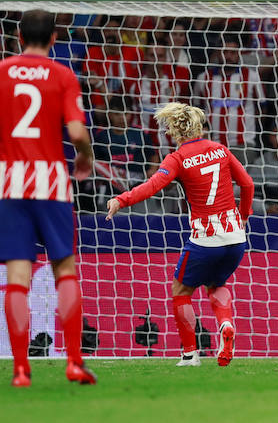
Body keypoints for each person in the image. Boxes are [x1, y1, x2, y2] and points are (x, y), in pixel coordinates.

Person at [0, 9, 96, 387]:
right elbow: (75, 130)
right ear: (54, 38)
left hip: (8, 184)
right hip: (52, 183)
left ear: (18, 37)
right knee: (64, 271)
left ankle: (21, 369)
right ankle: (73, 363)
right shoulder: (63, 75)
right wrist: (85, 156)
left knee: (17, 278)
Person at [106, 102, 255, 368]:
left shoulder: (177, 158)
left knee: (181, 289)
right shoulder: (220, 150)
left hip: (205, 238)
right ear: (198, 126)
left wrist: (122, 199)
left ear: (174, 130)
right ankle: (226, 323)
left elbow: (152, 187)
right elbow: (247, 183)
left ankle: (189, 355)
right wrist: (243, 214)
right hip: (235, 238)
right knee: (216, 284)